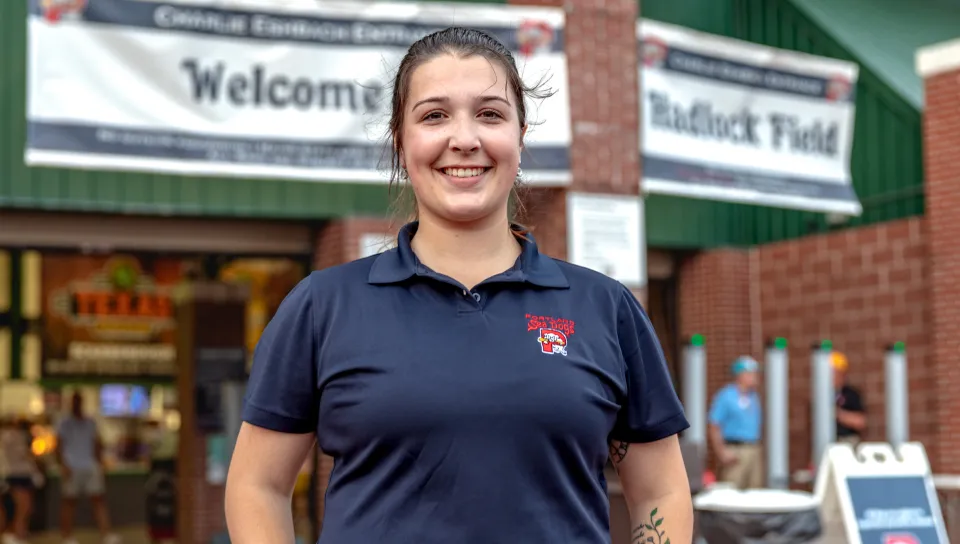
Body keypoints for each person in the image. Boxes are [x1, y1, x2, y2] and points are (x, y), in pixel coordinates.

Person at [225, 26, 693, 544]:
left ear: (520, 134)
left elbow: (660, 493)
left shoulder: (606, 308)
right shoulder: (323, 305)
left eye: (490, 114)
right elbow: (257, 485)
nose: (464, 138)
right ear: (400, 141)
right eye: (434, 115)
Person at [56, 392, 120, 544]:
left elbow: (96, 444)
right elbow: (58, 446)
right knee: (69, 502)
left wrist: (100, 463)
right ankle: (67, 537)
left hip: (90, 466)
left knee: (99, 501)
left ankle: (106, 534)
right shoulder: (64, 423)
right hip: (72, 467)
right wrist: (64, 465)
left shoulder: (90, 422)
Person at [707, 356, 763, 490]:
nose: (754, 377)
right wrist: (721, 452)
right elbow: (714, 425)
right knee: (732, 489)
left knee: (755, 490)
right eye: (750, 373)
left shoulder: (753, 396)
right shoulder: (726, 395)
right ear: (740, 375)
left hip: (753, 448)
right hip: (735, 448)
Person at [0, 416, 45, 544]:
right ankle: (16, 535)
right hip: (15, 476)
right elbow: (22, 456)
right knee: (22, 507)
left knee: (26, 507)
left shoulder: (18, 437)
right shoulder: (10, 437)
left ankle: (19, 534)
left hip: (23, 476)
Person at [832, 352, 866, 446]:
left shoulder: (851, 395)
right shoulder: (821, 397)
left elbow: (860, 422)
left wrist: (837, 414)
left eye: (834, 373)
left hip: (847, 441)